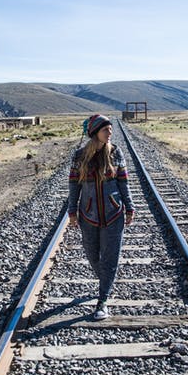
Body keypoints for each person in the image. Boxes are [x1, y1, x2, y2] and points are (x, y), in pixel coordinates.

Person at [68, 114, 135, 320]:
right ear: (95, 132)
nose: (110, 133)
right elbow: (73, 185)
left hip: (114, 214)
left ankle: (102, 300)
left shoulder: (115, 153)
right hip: (88, 215)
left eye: (111, 130)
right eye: (106, 130)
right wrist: (72, 211)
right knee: (91, 254)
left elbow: (123, 182)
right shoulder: (79, 156)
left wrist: (129, 207)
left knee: (110, 258)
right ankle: (107, 279)